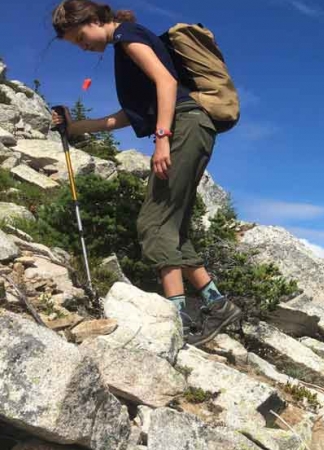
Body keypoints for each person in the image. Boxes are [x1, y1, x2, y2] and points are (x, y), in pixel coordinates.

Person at [50, 0, 241, 346]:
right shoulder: (127, 43)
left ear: (93, 19)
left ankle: (177, 319)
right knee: (173, 224)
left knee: (154, 223)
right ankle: (218, 305)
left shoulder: (127, 37)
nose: (82, 46)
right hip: (192, 127)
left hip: (183, 127)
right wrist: (77, 128)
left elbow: (166, 83)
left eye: (80, 37)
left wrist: (163, 139)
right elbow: (129, 114)